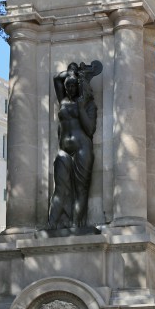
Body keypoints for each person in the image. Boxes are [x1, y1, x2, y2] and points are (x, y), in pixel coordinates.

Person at [48, 60, 102, 231]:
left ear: (79, 87)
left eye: (73, 86)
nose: (70, 89)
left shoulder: (88, 105)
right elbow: (56, 78)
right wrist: (74, 73)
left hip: (82, 149)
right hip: (64, 150)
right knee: (59, 188)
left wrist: (80, 108)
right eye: (68, 86)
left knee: (81, 189)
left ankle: (75, 225)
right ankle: (51, 224)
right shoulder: (63, 101)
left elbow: (90, 129)